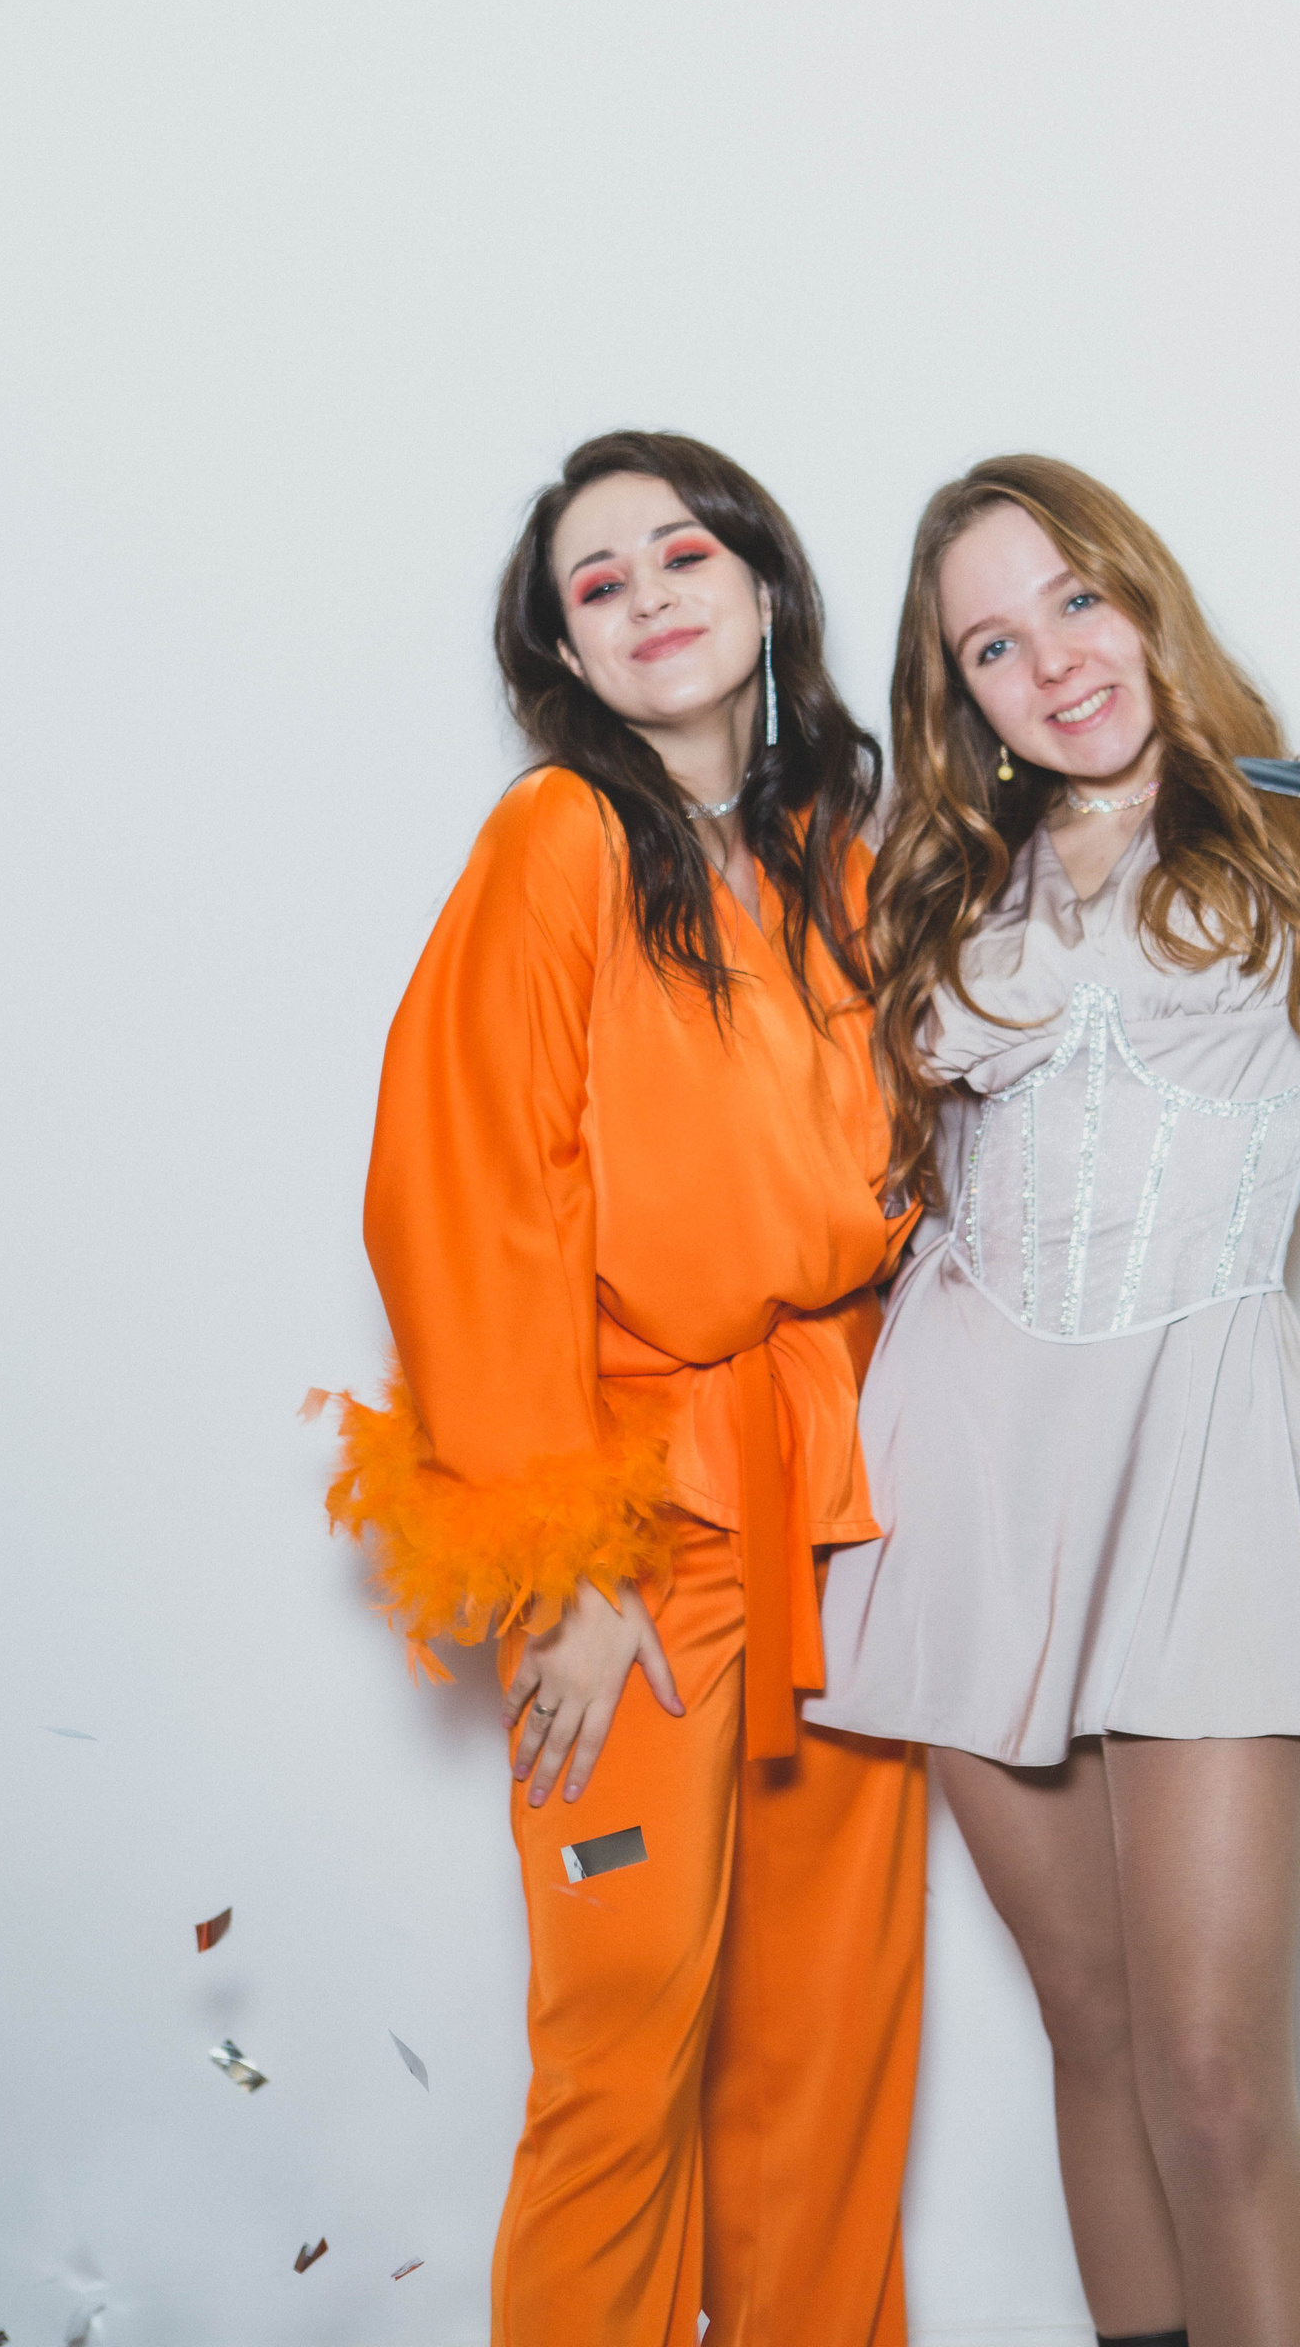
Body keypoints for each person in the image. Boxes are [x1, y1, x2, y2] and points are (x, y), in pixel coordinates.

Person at [817, 0, 1300, 2347]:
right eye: (991, 642)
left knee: (1220, 2077)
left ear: (1139, 597)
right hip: (959, 1478)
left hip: (1207, 1471)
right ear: (961, 695)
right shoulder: (930, 899)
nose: (1052, 661)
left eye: (1074, 602)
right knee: (1088, 2031)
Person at [329, 431, 926, 2347]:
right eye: (601, 584)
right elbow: (458, 1191)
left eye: (684, 556)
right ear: (566, 653)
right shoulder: (559, 840)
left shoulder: (838, 854)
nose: (650, 597)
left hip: (842, 1505)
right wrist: (564, 1568)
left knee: (828, 2047)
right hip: (644, 1517)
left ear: (763, 587)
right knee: (619, 2044)